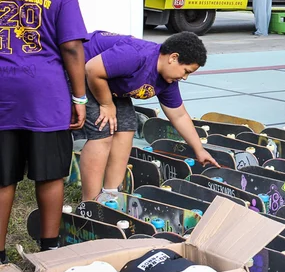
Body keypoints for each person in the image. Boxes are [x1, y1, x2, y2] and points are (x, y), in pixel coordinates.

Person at [0, 0, 88, 261]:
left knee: (2, 178)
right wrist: (79, 97)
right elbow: (72, 48)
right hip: (45, 96)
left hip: (3, 93)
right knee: (50, 174)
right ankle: (49, 251)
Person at [78, 31, 219, 201]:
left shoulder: (167, 81)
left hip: (107, 82)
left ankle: (110, 195)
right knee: (103, 131)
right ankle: (90, 202)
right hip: (79, 69)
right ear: (173, 58)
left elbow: (179, 115)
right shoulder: (135, 55)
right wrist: (106, 104)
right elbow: (92, 69)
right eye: (186, 71)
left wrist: (199, 149)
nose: (185, 77)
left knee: (126, 128)